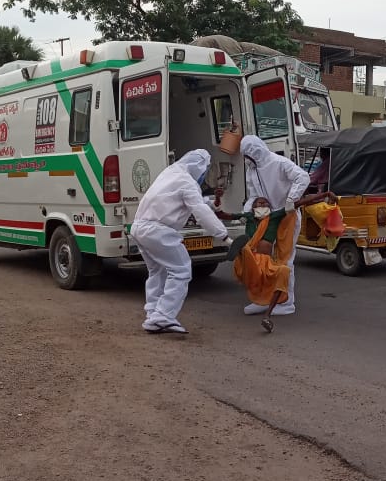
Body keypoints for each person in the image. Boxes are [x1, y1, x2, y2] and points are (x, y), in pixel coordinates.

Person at [131, 149, 230, 334]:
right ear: (199, 167)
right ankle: (164, 316)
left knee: (157, 272)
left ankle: (153, 314)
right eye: (205, 170)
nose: (204, 175)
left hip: (139, 227)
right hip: (158, 231)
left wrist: (210, 203)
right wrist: (223, 234)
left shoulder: (171, 173)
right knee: (181, 270)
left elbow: (186, 199)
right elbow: (199, 210)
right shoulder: (187, 181)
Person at [217, 192, 336, 332]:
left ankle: (267, 316)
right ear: (253, 207)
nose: (262, 204)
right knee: (247, 251)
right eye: (259, 203)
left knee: (284, 271)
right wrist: (218, 198)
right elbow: (223, 215)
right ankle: (241, 250)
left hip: (266, 261)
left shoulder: (273, 217)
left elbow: (299, 203)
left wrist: (325, 194)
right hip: (251, 260)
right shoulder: (248, 217)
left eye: (265, 203)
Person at [240, 136, 310, 316]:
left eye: (247, 155)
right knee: (262, 260)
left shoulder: (279, 163)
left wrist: (291, 199)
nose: (246, 160)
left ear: (254, 152)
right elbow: (253, 195)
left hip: (287, 217)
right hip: (266, 219)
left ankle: (286, 302)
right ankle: (264, 299)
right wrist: (246, 212)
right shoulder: (252, 169)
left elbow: (302, 177)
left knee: (284, 261)